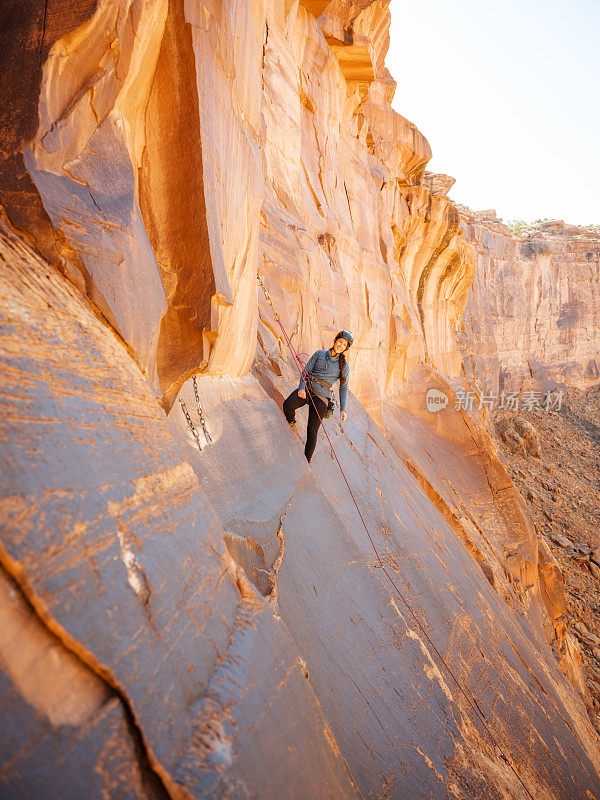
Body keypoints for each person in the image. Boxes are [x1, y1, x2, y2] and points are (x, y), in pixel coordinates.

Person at [283, 330, 353, 463]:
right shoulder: (319, 354)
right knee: (287, 405)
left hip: (322, 397)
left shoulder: (344, 366)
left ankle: (306, 461)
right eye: (340, 342)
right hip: (308, 389)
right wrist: (302, 388)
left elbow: (343, 388)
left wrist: (343, 409)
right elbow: (306, 371)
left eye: (344, 345)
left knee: (312, 430)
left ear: (345, 349)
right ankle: (291, 422)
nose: (341, 345)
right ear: (335, 340)